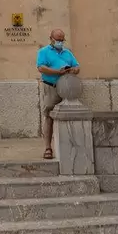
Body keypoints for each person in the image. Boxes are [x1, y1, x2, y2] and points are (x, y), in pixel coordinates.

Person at [36, 28, 80, 159]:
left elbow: (77, 66)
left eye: (62, 40)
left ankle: (68, 146)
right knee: (49, 116)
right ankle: (48, 148)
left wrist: (73, 70)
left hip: (66, 88)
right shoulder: (43, 52)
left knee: (68, 115)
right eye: (58, 40)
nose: (60, 42)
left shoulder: (68, 53)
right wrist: (57, 72)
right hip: (51, 87)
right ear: (51, 39)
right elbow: (41, 67)